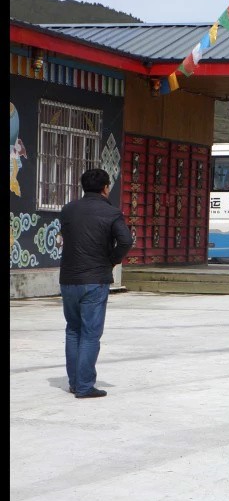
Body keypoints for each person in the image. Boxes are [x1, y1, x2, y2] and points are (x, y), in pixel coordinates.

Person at [58, 166, 134, 399]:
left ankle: (75, 382)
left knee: (73, 330)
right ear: (105, 188)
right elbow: (126, 241)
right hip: (94, 280)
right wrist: (111, 261)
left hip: (69, 279)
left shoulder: (68, 210)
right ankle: (84, 386)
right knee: (90, 333)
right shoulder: (111, 213)